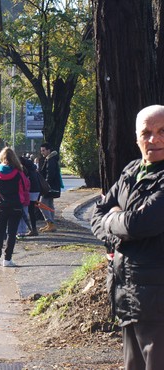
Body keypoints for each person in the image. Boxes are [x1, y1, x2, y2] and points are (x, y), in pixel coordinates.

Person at [91, 105, 164, 370]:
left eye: (161, 131)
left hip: (157, 300)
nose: (153, 139)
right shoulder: (131, 170)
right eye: (146, 133)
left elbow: (141, 223)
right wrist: (114, 225)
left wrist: (114, 218)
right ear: (137, 138)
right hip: (126, 292)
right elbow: (95, 213)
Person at [0, 147, 28, 267]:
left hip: (1, 204)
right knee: (12, 232)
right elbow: (25, 187)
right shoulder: (19, 173)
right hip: (16, 205)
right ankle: (7, 259)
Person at [38, 142, 62, 232]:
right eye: (41, 151)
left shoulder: (50, 160)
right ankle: (51, 224)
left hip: (49, 187)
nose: (42, 153)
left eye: (44, 150)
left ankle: (50, 223)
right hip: (54, 186)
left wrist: (46, 185)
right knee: (50, 205)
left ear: (48, 150)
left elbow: (50, 174)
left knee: (42, 204)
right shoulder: (51, 159)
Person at [17, 155, 40, 238]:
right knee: (31, 210)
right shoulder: (32, 166)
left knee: (27, 211)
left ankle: (32, 229)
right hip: (36, 190)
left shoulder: (24, 168)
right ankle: (33, 229)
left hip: (30, 191)